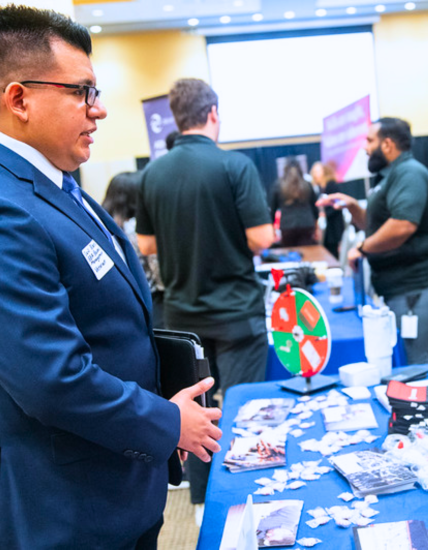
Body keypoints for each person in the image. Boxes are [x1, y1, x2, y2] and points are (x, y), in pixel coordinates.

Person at [0, 7, 221, 549]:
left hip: (115, 480)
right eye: (83, 92)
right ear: (18, 99)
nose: (101, 109)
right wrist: (165, 422)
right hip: (60, 506)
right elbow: (52, 379)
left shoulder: (51, 183)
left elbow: (106, 320)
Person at [136, 78, 274, 508]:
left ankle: (204, 506)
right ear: (213, 113)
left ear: (176, 118)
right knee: (243, 410)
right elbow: (262, 237)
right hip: (236, 314)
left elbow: (146, 245)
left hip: (182, 319)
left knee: (196, 416)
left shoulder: (152, 173)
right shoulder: (235, 166)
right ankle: (247, 501)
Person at [317, 117, 428, 366]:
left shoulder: (409, 173)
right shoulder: (390, 176)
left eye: (370, 141)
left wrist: (362, 248)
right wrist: (351, 206)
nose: (365, 148)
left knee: (417, 364)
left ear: (388, 144)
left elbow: (403, 225)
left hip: (419, 287)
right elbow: (373, 226)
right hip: (404, 287)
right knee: (421, 359)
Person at [102, 171, 165, 328]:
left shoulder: (102, 226)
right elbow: (158, 273)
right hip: (151, 299)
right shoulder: (137, 229)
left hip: (119, 303)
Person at [270, 159, 319, 247]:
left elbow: (272, 210)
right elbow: (315, 209)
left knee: (289, 255)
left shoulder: (278, 185)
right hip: (306, 224)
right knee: (307, 254)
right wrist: (316, 228)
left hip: (287, 226)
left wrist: (272, 230)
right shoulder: (307, 184)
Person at [311, 161, 344, 259]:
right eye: (314, 172)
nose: (316, 174)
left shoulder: (331, 185)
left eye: (318, 171)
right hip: (327, 226)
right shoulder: (321, 188)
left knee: (333, 251)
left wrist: (324, 214)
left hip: (334, 225)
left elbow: (336, 205)